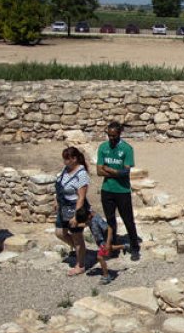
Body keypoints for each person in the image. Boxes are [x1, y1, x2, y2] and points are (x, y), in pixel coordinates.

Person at [96, 121, 141, 262]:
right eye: (109, 135)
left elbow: (125, 172)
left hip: (122, 190)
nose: (111, 138)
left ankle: (135, 247)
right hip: (107, 189)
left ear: (120, 134)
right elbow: (99, 171)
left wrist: (109, 169)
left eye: (114, 136)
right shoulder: (103, 147)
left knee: (128, 220)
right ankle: (112, 247)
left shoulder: (127, 149)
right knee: (110, 221)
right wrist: (116, 172)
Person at [55, 146, 91, 275]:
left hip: (74, 208)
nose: (64, 161)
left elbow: (81, 197)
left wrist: (76, 216)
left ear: (74, 159)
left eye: (67, 159)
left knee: (77, 237)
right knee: (60, 232)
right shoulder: (65, 170)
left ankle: (80, 264)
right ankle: (81, 251)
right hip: (63, 206)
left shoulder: (81, 174)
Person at [72, 206, 116, 285]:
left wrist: (108, 243)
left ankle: (106, 276)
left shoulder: (97, 219)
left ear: (89, 216)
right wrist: (77, 225)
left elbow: (109, 229)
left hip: (104, 241)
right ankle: (124, 246)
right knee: (107, 252)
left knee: (100, 257)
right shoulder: (90, 218)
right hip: (100, 242)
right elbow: (86, 224)